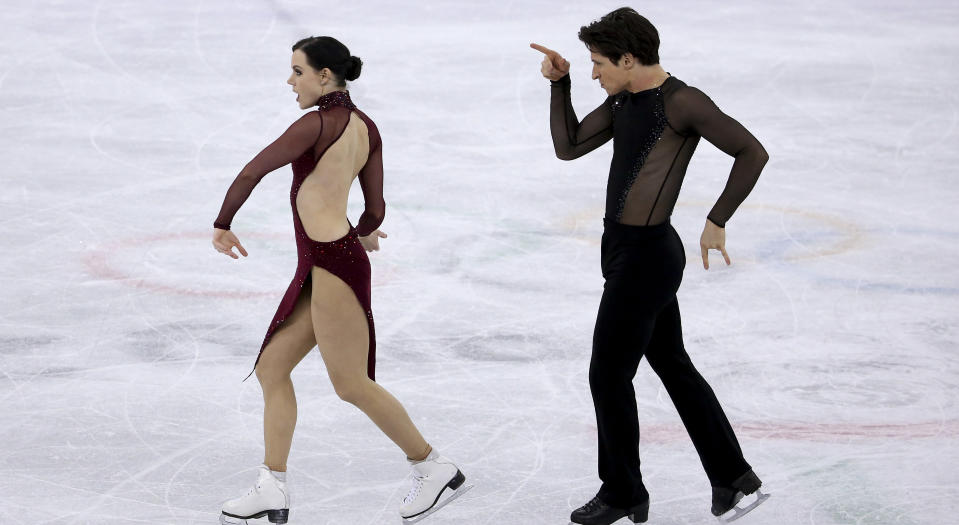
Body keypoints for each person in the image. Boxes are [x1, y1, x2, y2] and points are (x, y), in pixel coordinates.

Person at [212, 36, 468, 525]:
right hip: (331, 258)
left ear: (324, 75)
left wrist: (222, 223)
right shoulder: (366, 128)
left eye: (298, 71)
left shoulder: (316, 124)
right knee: (272, 367)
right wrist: (364, 235)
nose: (291, 81)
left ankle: (434, 466)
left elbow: (253, 171)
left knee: (351, 384)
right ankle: (272, 485)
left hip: (331, 264)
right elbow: (374, 209)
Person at [531, 8, 770, 525]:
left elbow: (752, 151)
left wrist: (717, 219)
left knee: (607, 373)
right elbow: (568, 147)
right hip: (622, 249)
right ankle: (734, 478)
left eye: (598, 64)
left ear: (629, 57)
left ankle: (623, 493)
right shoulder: (624, 100)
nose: (595, 73)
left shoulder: (681, 102)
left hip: (647, 258)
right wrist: (560, 84)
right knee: (672, 365)